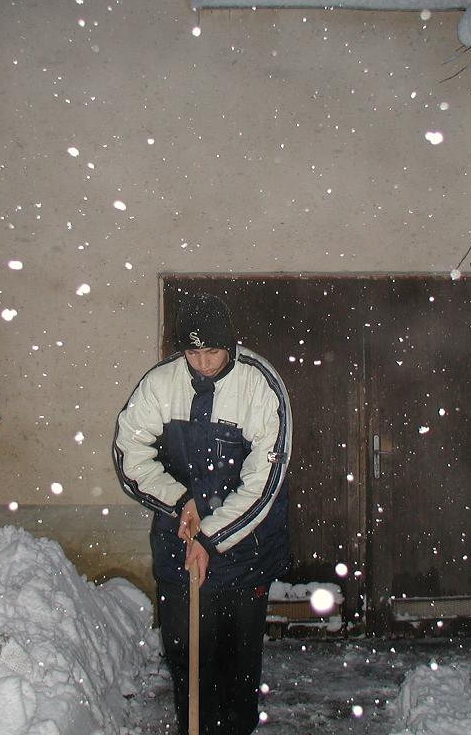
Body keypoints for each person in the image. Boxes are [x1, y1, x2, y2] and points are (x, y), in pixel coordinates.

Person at [113, 292, 293, 735]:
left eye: (213, 351)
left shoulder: (260, 385)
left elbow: (264, 481)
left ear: (230, 344)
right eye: (193, 353)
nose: (204, 363)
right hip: (178, 548)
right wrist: (180, 502)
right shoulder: (161, 384)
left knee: (236, 667)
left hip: (245, 555)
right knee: (187, 661)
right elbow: (129, 455)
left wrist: (211, 537)